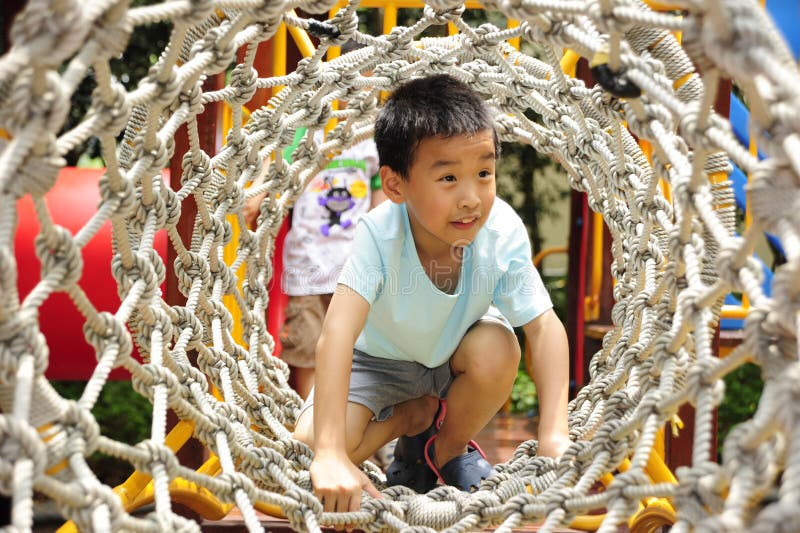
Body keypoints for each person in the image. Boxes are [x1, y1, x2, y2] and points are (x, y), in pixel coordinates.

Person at [293, 73, 571, 512]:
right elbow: (338, 336)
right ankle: (410, 419)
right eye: (448, 179)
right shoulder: (379, 234)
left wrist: (555, 433)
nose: (471, 198)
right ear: (397, 185)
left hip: (451, 358)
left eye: (483, 172)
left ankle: (446, 450)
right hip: (378, 363)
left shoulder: (500, 230)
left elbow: (544, 327)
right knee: (307, 449)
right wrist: (330, 453)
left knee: (498, 345)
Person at [245, 126, 385, 400]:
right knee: (307, 348)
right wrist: (257, 195)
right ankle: (311, 419)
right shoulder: (308, 130)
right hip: (307, 265)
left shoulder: (372, 138)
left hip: (353, 267)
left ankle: (346, 418)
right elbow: (275, 161)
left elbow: (381, 192)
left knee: (352, 348)